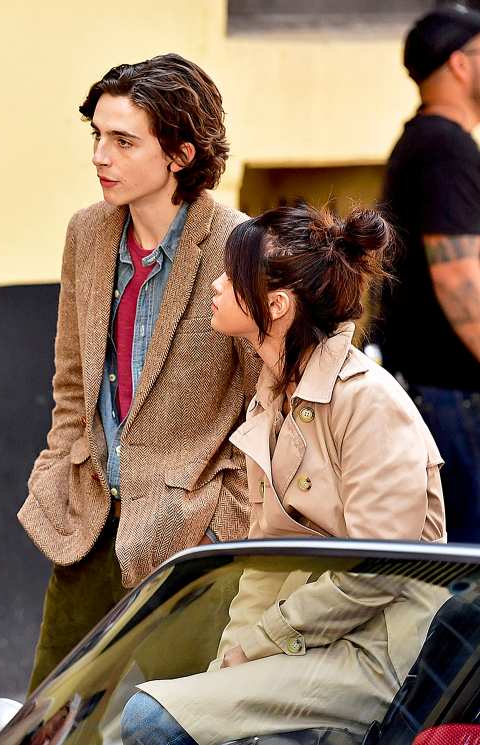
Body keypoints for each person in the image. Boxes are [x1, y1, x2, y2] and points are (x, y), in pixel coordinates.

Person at [120, 204, 447, 745]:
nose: (217, 286)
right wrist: (233, 657)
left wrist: (263, 642)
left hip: (382, 656)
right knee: (191, 715)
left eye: (232, 276)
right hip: (308, 646)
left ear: (274, 305)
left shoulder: (368, 401)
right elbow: (266, 558)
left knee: (148, 717)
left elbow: (379, 570)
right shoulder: (271, 397)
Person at [18, 54, 260, 693]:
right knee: (53, 712)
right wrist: (62, 463)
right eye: (97, 136)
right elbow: (72, 378)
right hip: (91, 513)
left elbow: (270, 396)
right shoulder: (88, 234)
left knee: (178, 719)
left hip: (191, 527)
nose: (101, 155)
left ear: (180, 153)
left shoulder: (238, 246)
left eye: (124, 141)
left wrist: (225, 514)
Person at [377, 4, 480, 543]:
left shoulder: (423, 141)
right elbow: (462, 285)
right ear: (460, 64)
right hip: (453, 397)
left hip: (435, 392)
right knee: (467, 576)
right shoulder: (446, 148)